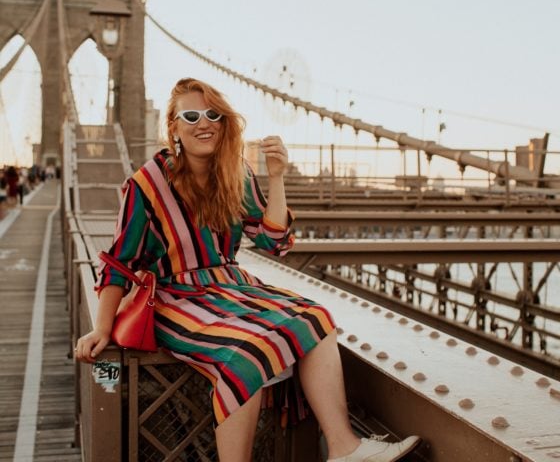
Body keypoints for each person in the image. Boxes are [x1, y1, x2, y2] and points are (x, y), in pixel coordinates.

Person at [75, 78, 421, 462]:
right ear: (173, 126)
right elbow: (120, 261)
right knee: (245, 353)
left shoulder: (235, 174)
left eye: (213, 114)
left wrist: (275, 176)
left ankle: (345, 449)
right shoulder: (148, 183)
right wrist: (102, 328)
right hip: (177, 296)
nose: (203, 123)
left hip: (231, 286)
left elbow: (274, 240)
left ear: (224, 124)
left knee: (316, 318)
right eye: (191, 115)